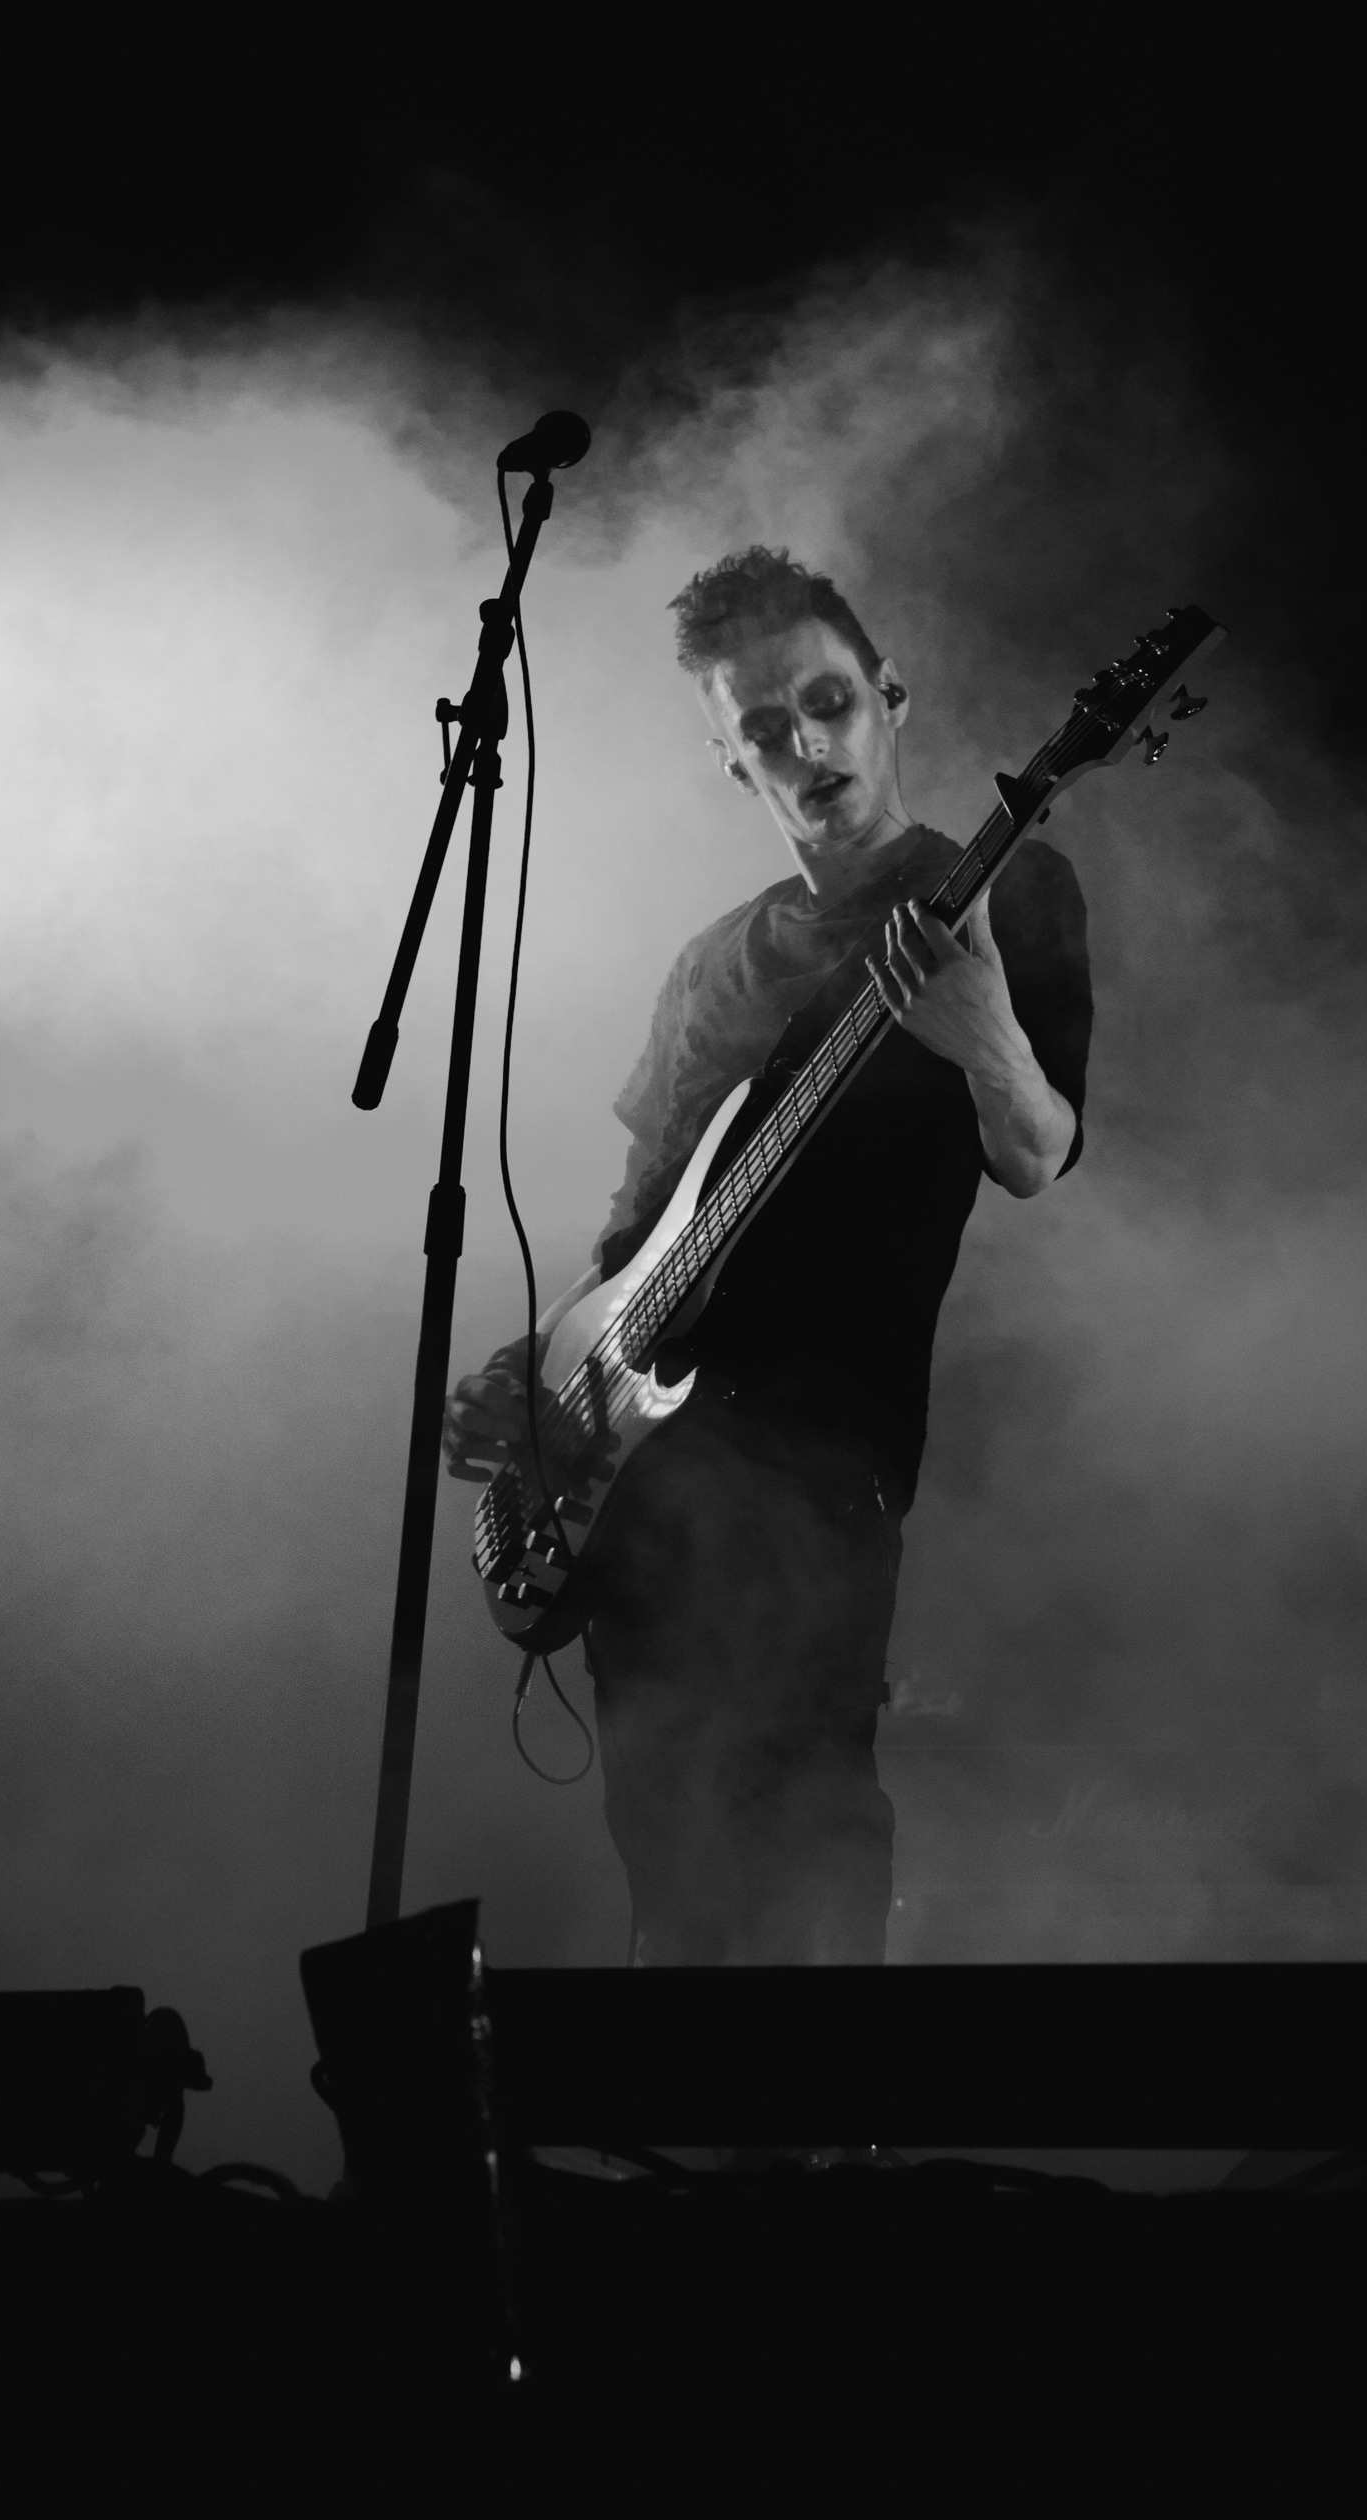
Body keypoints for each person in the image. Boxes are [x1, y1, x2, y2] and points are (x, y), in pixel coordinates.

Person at [443, 544, 1092, 1966]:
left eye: (829, 702)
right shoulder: (712, 966)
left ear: (891, 700)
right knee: (671, 1874)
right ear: (735, 766)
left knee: (807, 1853)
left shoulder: (1004, 891)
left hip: (821, 1469)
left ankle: (819, 2173)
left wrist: (977, 1020)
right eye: (764, 729)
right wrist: (540, 1382)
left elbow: (1038, 1153)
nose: (806, 745)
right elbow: (632, 1234)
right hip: (646, 1493)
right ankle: (679, 2177)